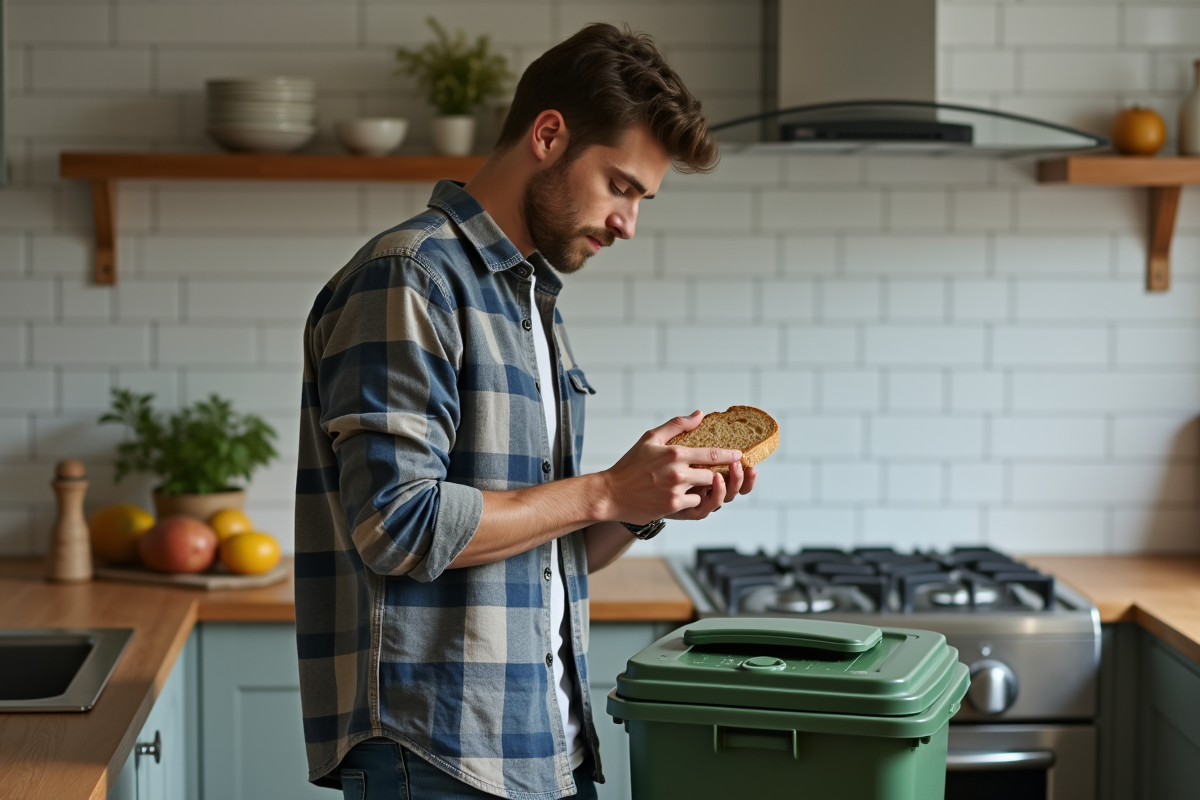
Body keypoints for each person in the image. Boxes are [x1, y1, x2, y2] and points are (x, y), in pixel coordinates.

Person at [294, 22, 758, 800]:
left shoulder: (530, 302)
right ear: (549, 135)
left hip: (546, 744)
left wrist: (645, 504)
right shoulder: (411, 277)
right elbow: (398, 525)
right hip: (438, 755)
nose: (627, 223)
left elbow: (547, 552)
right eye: (620, 186)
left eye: (643, 199)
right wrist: (606, 490)